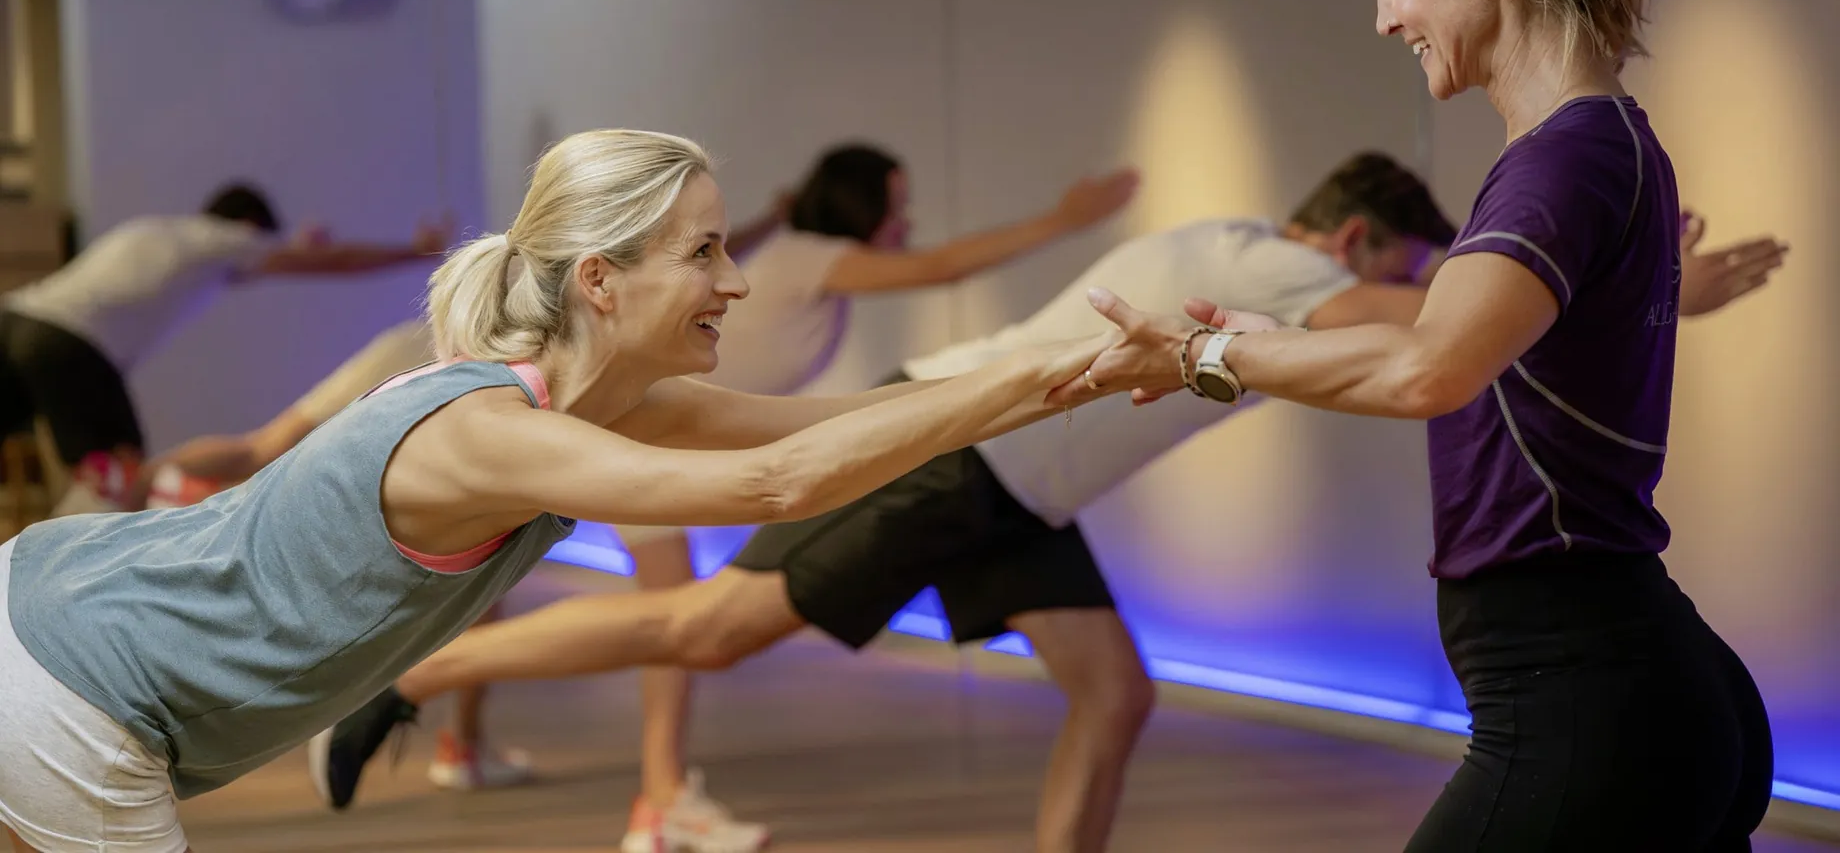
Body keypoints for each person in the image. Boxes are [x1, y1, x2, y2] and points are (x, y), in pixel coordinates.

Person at [315, 150, 1781, 853]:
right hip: (955, 461)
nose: (1426, 282)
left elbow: (1421, 325)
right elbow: (1430, 335)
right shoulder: (1286, 270)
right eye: (1408, 258)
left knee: (1117, 693)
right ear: (1350, 236)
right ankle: (414, 672)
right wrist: (1640, 288)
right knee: (701, 633)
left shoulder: (1243, 243)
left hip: (1015, 486)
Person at [0, 128, 1155, 853]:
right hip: (75, 687)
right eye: (704, 252)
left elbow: (832, 424)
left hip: (51, 614)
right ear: (600, 280)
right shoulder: (489, 431)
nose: (736, 280)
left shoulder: (606, 408)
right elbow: (779, 482)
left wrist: (1072, 373)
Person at [1059, 0, 1785, 850]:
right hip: (1630, 680)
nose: (1384, 17)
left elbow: (1425, 374)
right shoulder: (1589, 141)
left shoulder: (1563, 160)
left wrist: (1200, 355)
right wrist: (1273, 342)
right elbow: (1446, 354)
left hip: (1583, 693)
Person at [601, 142, 1137, 853]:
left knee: (669, 623)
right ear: (863, 206)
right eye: (897, 204)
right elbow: (941, 268)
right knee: (672, 627)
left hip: (661, 437)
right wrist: (1062, 220)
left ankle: (588, 777)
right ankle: (658, 802)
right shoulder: (812, 254)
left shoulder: (801, 257)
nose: (905, 221)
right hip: (646, 438)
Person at [136, 318, 533, 794]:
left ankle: (127, 484)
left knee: (259, 450)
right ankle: (459, 743)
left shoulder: (413, 341)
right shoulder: (514, 358)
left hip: (419, 374)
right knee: (489, 561)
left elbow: (258, 450)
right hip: (451, 420)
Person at [0, 184, 448, 513]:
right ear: (252, 227)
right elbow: (333, 261)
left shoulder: (162, 232)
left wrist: (294, 246)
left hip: (13, 321)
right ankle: (58, 591)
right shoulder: (230, 240)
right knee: (120, 474)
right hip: (67, 341)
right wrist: (415, 252)